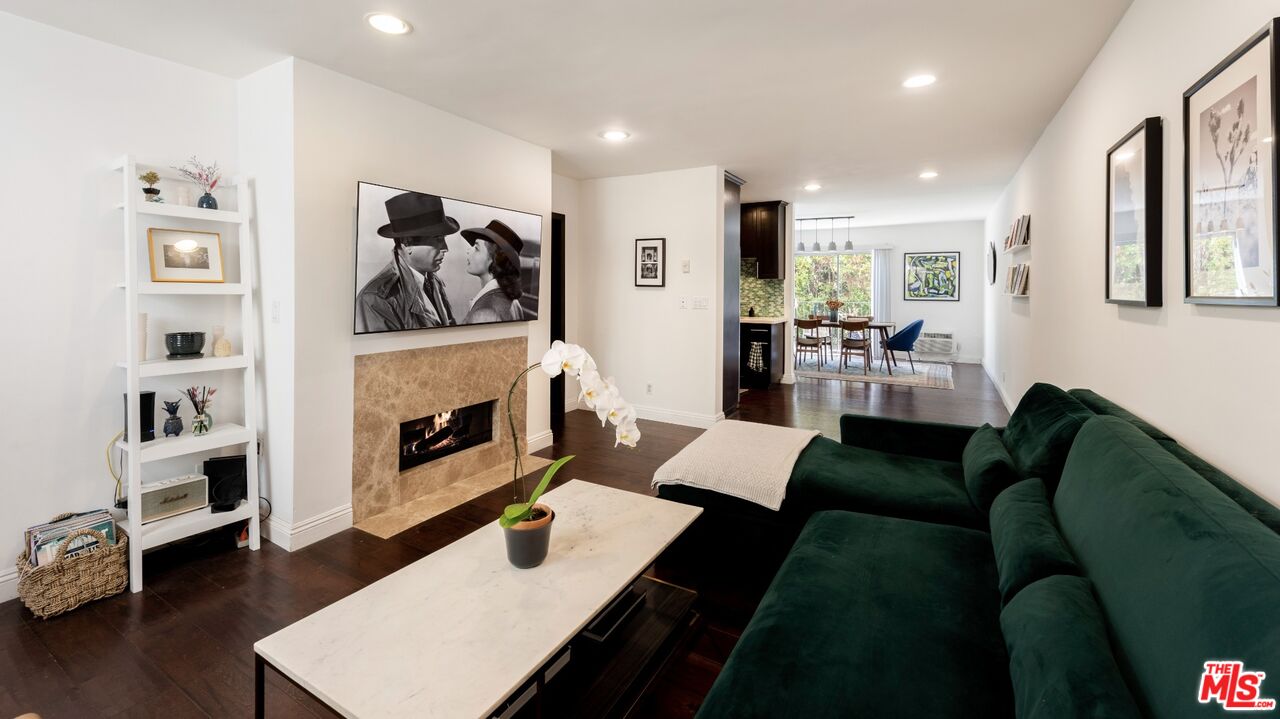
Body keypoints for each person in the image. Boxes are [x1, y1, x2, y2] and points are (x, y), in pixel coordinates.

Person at [356, 192, 459, 332]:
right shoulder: (376, 300)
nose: (445, 248)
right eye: (438, 239)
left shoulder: (432, 281)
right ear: (407, 243)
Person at [460, 219, 525, 324]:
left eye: (476, 248)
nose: (469, 250)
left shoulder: (486, 311)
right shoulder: (514, 302)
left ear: (494, 259)